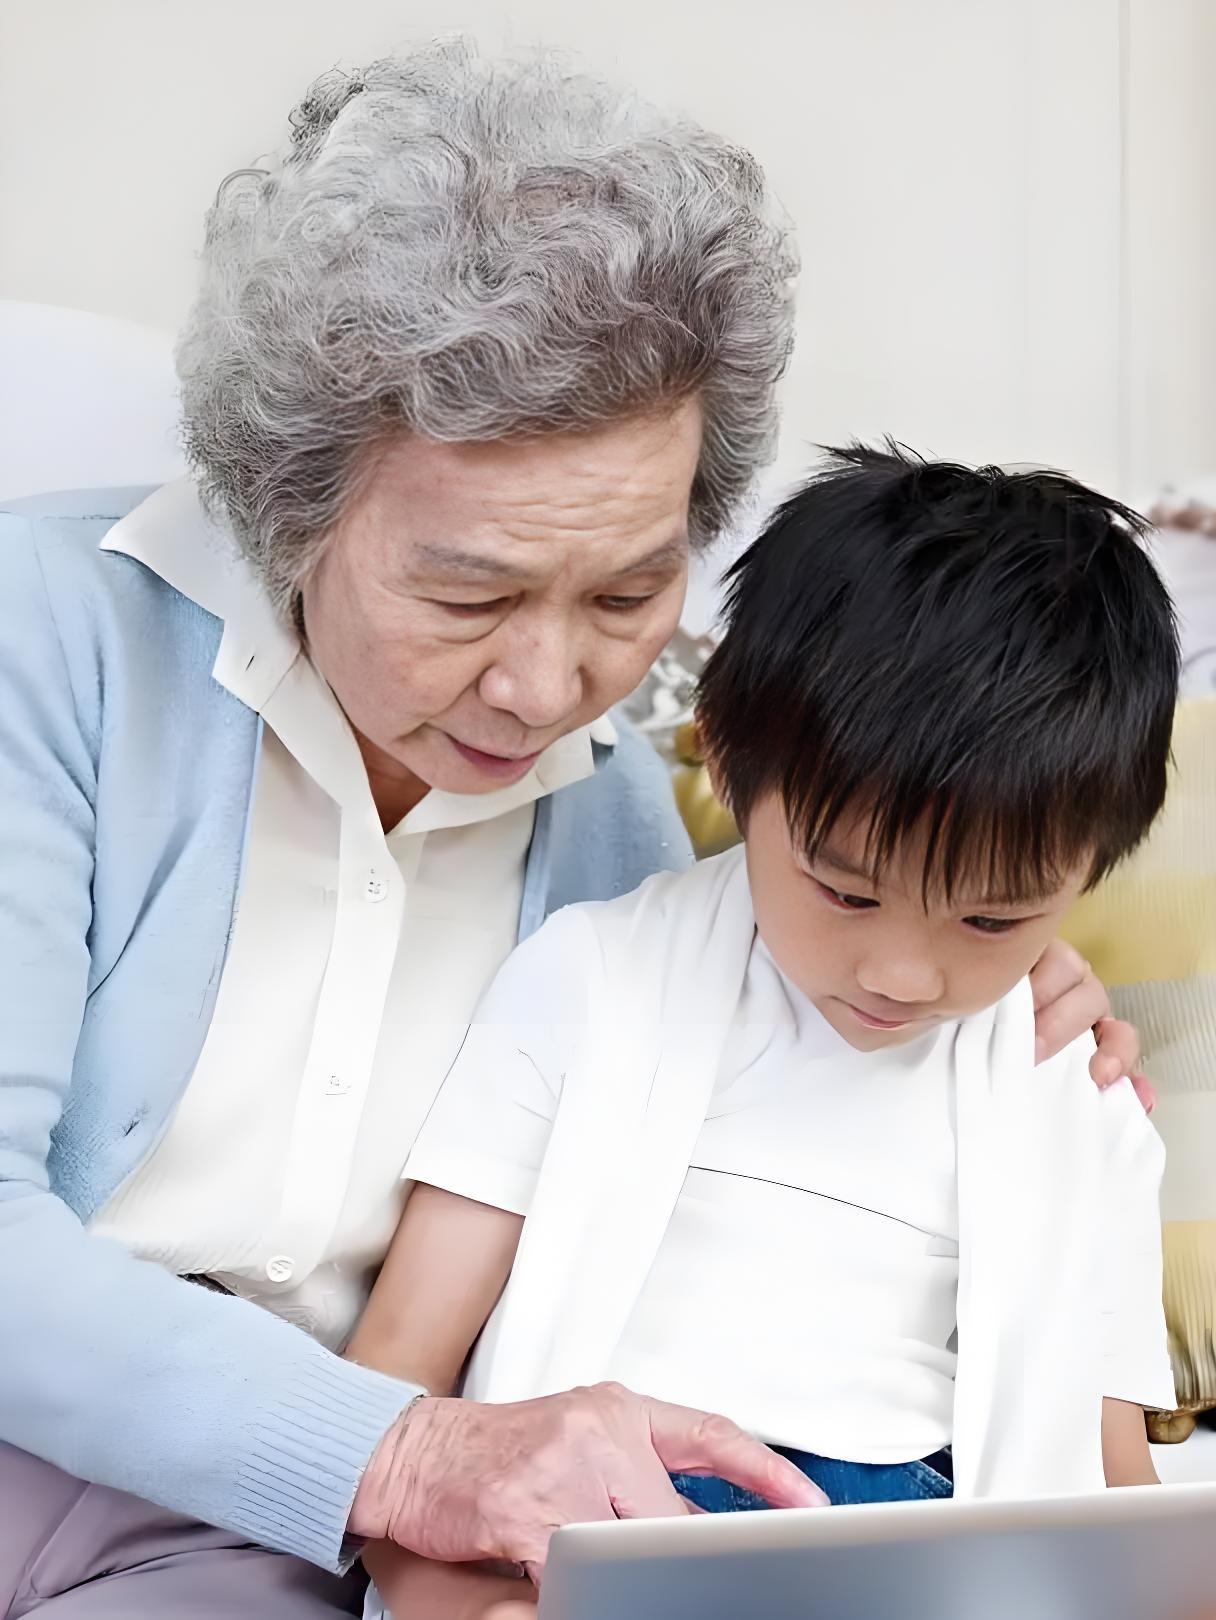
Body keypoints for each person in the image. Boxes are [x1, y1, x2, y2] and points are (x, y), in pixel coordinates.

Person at [0, 42, 1142, 1620]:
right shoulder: (45, 641)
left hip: (248, 1539)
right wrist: (399, 1454)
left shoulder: (616, 832)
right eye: (467, 596)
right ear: (290, 501)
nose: (547, 688)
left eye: (625, 594)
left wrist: (996, 971)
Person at [348, 446, 1179, 1620]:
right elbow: (394, 1385)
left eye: (992, 919)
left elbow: (1111, 1482)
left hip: (926, 1544)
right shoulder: (589, 983)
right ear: (728, 760)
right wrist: (462, 1608)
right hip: (620, 1520)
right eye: (844, 890)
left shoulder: (1073, 1091)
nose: (901, 973)